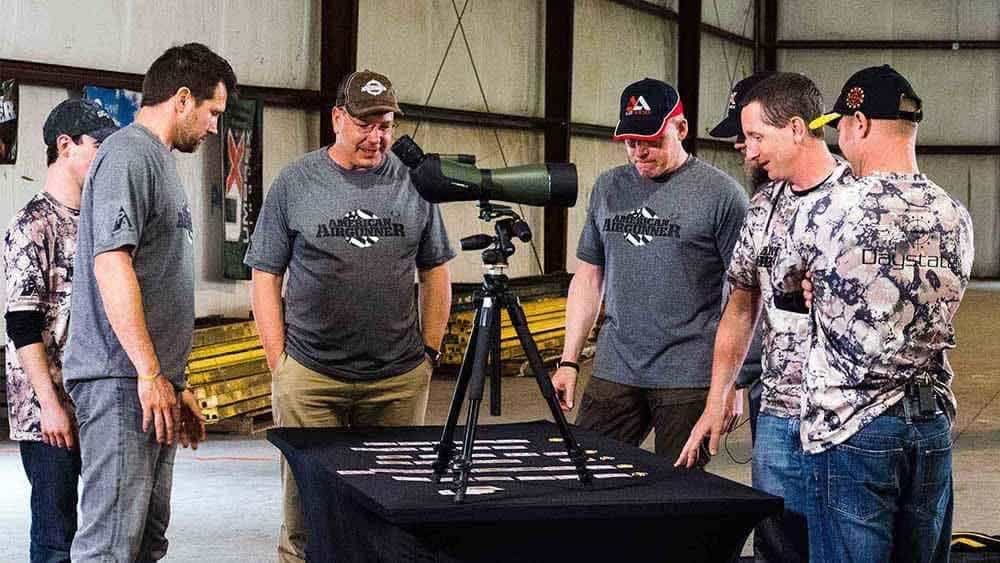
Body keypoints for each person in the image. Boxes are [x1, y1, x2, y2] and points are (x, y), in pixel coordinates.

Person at [245, 69, 455, 562]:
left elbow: (437, 271)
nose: (376, 137)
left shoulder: (414, 183)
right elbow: (265, 276)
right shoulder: (296, 182)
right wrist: (281, 364)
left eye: (385, 125)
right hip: (311, 378)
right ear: (338, 118)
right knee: (306, 512)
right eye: (365, 124)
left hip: (397, 380)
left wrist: (428, 352)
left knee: (394, 509)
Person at [791, 64, 974, 563]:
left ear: (860, 123)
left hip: (851, 426)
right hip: (929, 423)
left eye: (841, 127)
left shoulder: (830, 208)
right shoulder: (955, 215)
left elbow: (790, 282)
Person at [61, 43, 236, 562]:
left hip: (147, 383)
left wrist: (172, 382)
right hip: (121, 383)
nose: (212, 128)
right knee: (109, 547)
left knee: (143, 543)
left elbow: (153, 278)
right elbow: (111, 264)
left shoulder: (157, 163)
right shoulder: (128, 155)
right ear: (183, 99)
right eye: (211, 114)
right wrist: (147, 373)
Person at [676, 72, 853, 562]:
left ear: (797, 128)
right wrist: (717, 401)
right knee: (778, 541)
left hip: (849, 414)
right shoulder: (762, 207)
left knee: (842, 542)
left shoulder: (859, 199)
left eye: (755, 137)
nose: (747, 151)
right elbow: (739, 308)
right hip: (777, 411)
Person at [551, 77, 748, 465]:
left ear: (682, 129)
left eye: (652, 141)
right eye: (631, 142)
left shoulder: (722, 196)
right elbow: (589, 276)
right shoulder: (608, 188)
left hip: (689, 376)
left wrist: (732, 383)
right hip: (616, 366)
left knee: (680, 498)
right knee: (587, 476)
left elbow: (746, 298)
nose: (640, 152)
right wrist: (569, 360)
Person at [3, 98, 117, 563]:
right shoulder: (33, 224)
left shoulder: (95, 220)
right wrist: (49, 407)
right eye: (98, 145)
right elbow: (21, 323)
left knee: (98, 530)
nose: (105, 157)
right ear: (65, 146)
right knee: (55, 536)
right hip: (47, 410)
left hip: (94, 398)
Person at [706, 72, 772, 442]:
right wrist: (733, 380)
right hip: (770, 386)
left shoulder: (840, 201)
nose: (737, 145)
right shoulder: (761, 206)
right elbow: (742, 300)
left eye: (748, 135)